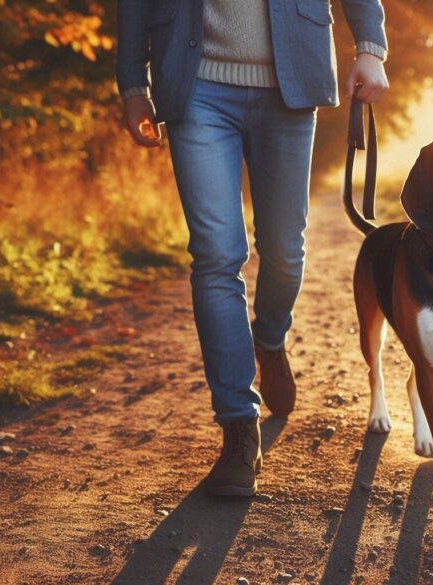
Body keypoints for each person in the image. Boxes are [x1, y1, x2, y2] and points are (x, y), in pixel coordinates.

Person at [116, 0, 389, 497]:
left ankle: (269, 337)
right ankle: (239, 428)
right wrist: (134, 86)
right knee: (216, 256)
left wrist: (370, 47)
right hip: (194, 82)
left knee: (284, 250)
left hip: (291, 82)